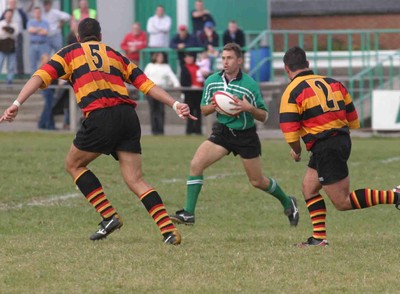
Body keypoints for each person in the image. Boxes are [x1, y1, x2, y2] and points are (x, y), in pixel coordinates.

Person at [0, 18, 197, 245]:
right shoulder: (115, 54)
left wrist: (16, 103)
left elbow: (39, 76)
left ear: (78, 38)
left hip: (101, 115)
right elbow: (146, 84)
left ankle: (109, 216)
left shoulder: (69, 53)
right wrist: (174, 104)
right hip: (127, 117)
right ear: (100, 37)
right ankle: (169, 231)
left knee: (73, 165)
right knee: (135, 179)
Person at [279, 46, 400, 247]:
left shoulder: (292, 91)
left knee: (342, 202)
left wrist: (297, 151)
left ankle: (395, 195)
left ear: (286, 69)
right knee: (309, 188)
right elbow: (352, 119)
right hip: (336, 140)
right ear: (308, 65)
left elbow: (290, 131)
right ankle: (318, 239)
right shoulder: (334, 83)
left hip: (326, 145)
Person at [170, 43, 299, 227]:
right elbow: (204, 110)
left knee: (257, 181)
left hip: (245, 136)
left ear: (239, 60)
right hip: (222, 132)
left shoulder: (249, 85)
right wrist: (216, 105)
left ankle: (288, 202)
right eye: (223, 58)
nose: (225, 61)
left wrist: (249, 108)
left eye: (229, 58)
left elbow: (264, 116)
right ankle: (189, 213)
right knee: (196, 164)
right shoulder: (212, 81)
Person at [144, 52, 180, 135]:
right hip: (151, 90)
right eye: (158, 56)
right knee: (153, 110)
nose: (160, 58)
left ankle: (160, 130)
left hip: (162, 90)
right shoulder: (150, 65)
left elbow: (172, 77)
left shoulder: (166, 67)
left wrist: (177, 85)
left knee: (161, 110)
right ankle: (154, 130)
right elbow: (144, 76)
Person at [1, 0, 30, 76]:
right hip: (4, 39)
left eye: (14, 3)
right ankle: (8, 75)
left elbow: (25, 23)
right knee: (3, 57)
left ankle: (20, 73)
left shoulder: (20, 12)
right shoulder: (5, 12)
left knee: (19, 55)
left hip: (17, 37)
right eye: (11, 3)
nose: (12, 4)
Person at [180, 52, 203, 135]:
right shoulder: (184, 68)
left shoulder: (198, 67)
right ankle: (189, 130)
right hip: (189, 93)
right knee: (189, 112)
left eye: (190, 57)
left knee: (198, 112)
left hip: (199, 92)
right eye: (187, 57)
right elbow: (183, 81)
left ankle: (198, 130)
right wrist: (191, 86)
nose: (189, 59)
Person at [27, 6, 49, 74]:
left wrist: (35, 30)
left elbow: (45, 32)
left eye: (39, 12)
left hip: (42, 44)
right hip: (33, 44)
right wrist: (40, 29)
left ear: (41, 13)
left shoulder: (45, 22)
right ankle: (33, 81)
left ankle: (42, 81)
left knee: (44, 63)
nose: (37, 13)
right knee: (33, 64)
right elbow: (30, 30)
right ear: (34, 13)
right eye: (36, 12)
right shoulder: (30, 22)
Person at [0, 8, 19, 85]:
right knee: (0, 63)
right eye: (7, 15)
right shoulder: (1, 23)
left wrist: (7, 30)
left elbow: (15, 33)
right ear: (5, 15)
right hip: (2, 46)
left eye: (10, 15)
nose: (9, 16)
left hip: (11, 47)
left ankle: (9, 80)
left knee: (11, 65)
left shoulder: (15, 24)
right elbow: (1, 34)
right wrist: (9, 31)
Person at [37, 53, 56, 130]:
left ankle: (42, 123)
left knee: (48, 107)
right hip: (47, 89)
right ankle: (48, 124)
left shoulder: (43, 68)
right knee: (49, 107)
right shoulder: (44, 69)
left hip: (48, 89)